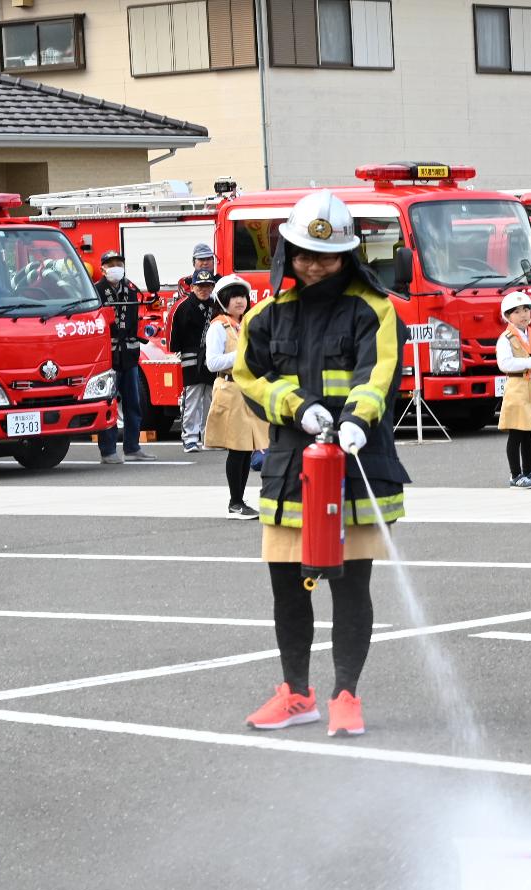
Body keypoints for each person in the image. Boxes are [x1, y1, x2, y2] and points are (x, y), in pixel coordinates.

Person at [233, 189, 406, 739]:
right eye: (304, 254)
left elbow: (377, 373)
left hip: (356, 460)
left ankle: (345, 694)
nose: (313, 265)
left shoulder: (374, 309)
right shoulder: (264, 316)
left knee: (351, 586)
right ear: (287, 252)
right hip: (291, 465)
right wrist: (296, 405)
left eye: (326, 257)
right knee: (287, 586)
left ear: (347, 256)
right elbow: (250, 376)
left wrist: (358, 416)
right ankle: (296, 694)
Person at [202, 275, 265, 518]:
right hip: (230, 389)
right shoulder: (218, 326)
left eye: (242, 296)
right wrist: (243, 355)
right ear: (222, 300)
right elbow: (212, 362)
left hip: (247, 390)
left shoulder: (244, 323)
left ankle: (238, 500)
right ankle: (235, 502)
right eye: (234, 297)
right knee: (238, 450)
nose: (240, 301)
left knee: (246, 449)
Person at [93, 250, 151, 463]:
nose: (115, 267)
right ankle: (108, 451)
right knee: (108, 402)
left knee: (133, 403)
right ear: (102, 268)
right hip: (108, 355)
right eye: (111, 264)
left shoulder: (132, 289)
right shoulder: (96, 291)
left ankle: (133, 447)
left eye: (119, 263)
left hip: (130, 353)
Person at [496, 289, 531, 489]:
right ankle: (515, 475)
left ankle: (528, 472)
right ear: (507, 316)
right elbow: (505, 364)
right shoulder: (506, 338)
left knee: (530, 432)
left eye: (526, 310)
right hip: (517, 385)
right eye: (517, 311)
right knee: (517, 432)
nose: (523, 315)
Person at [170, 242, 217, 453]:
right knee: (192, 396)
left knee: (210, 397)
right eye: (200, 287)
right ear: (193, 286)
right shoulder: (183, 306)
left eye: (208, 287)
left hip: (211, 356)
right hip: (190, 356)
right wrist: (178, 353)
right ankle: (189, 437)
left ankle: (209, 436)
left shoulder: (216, 304)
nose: (204, 290)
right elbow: (175, 334)